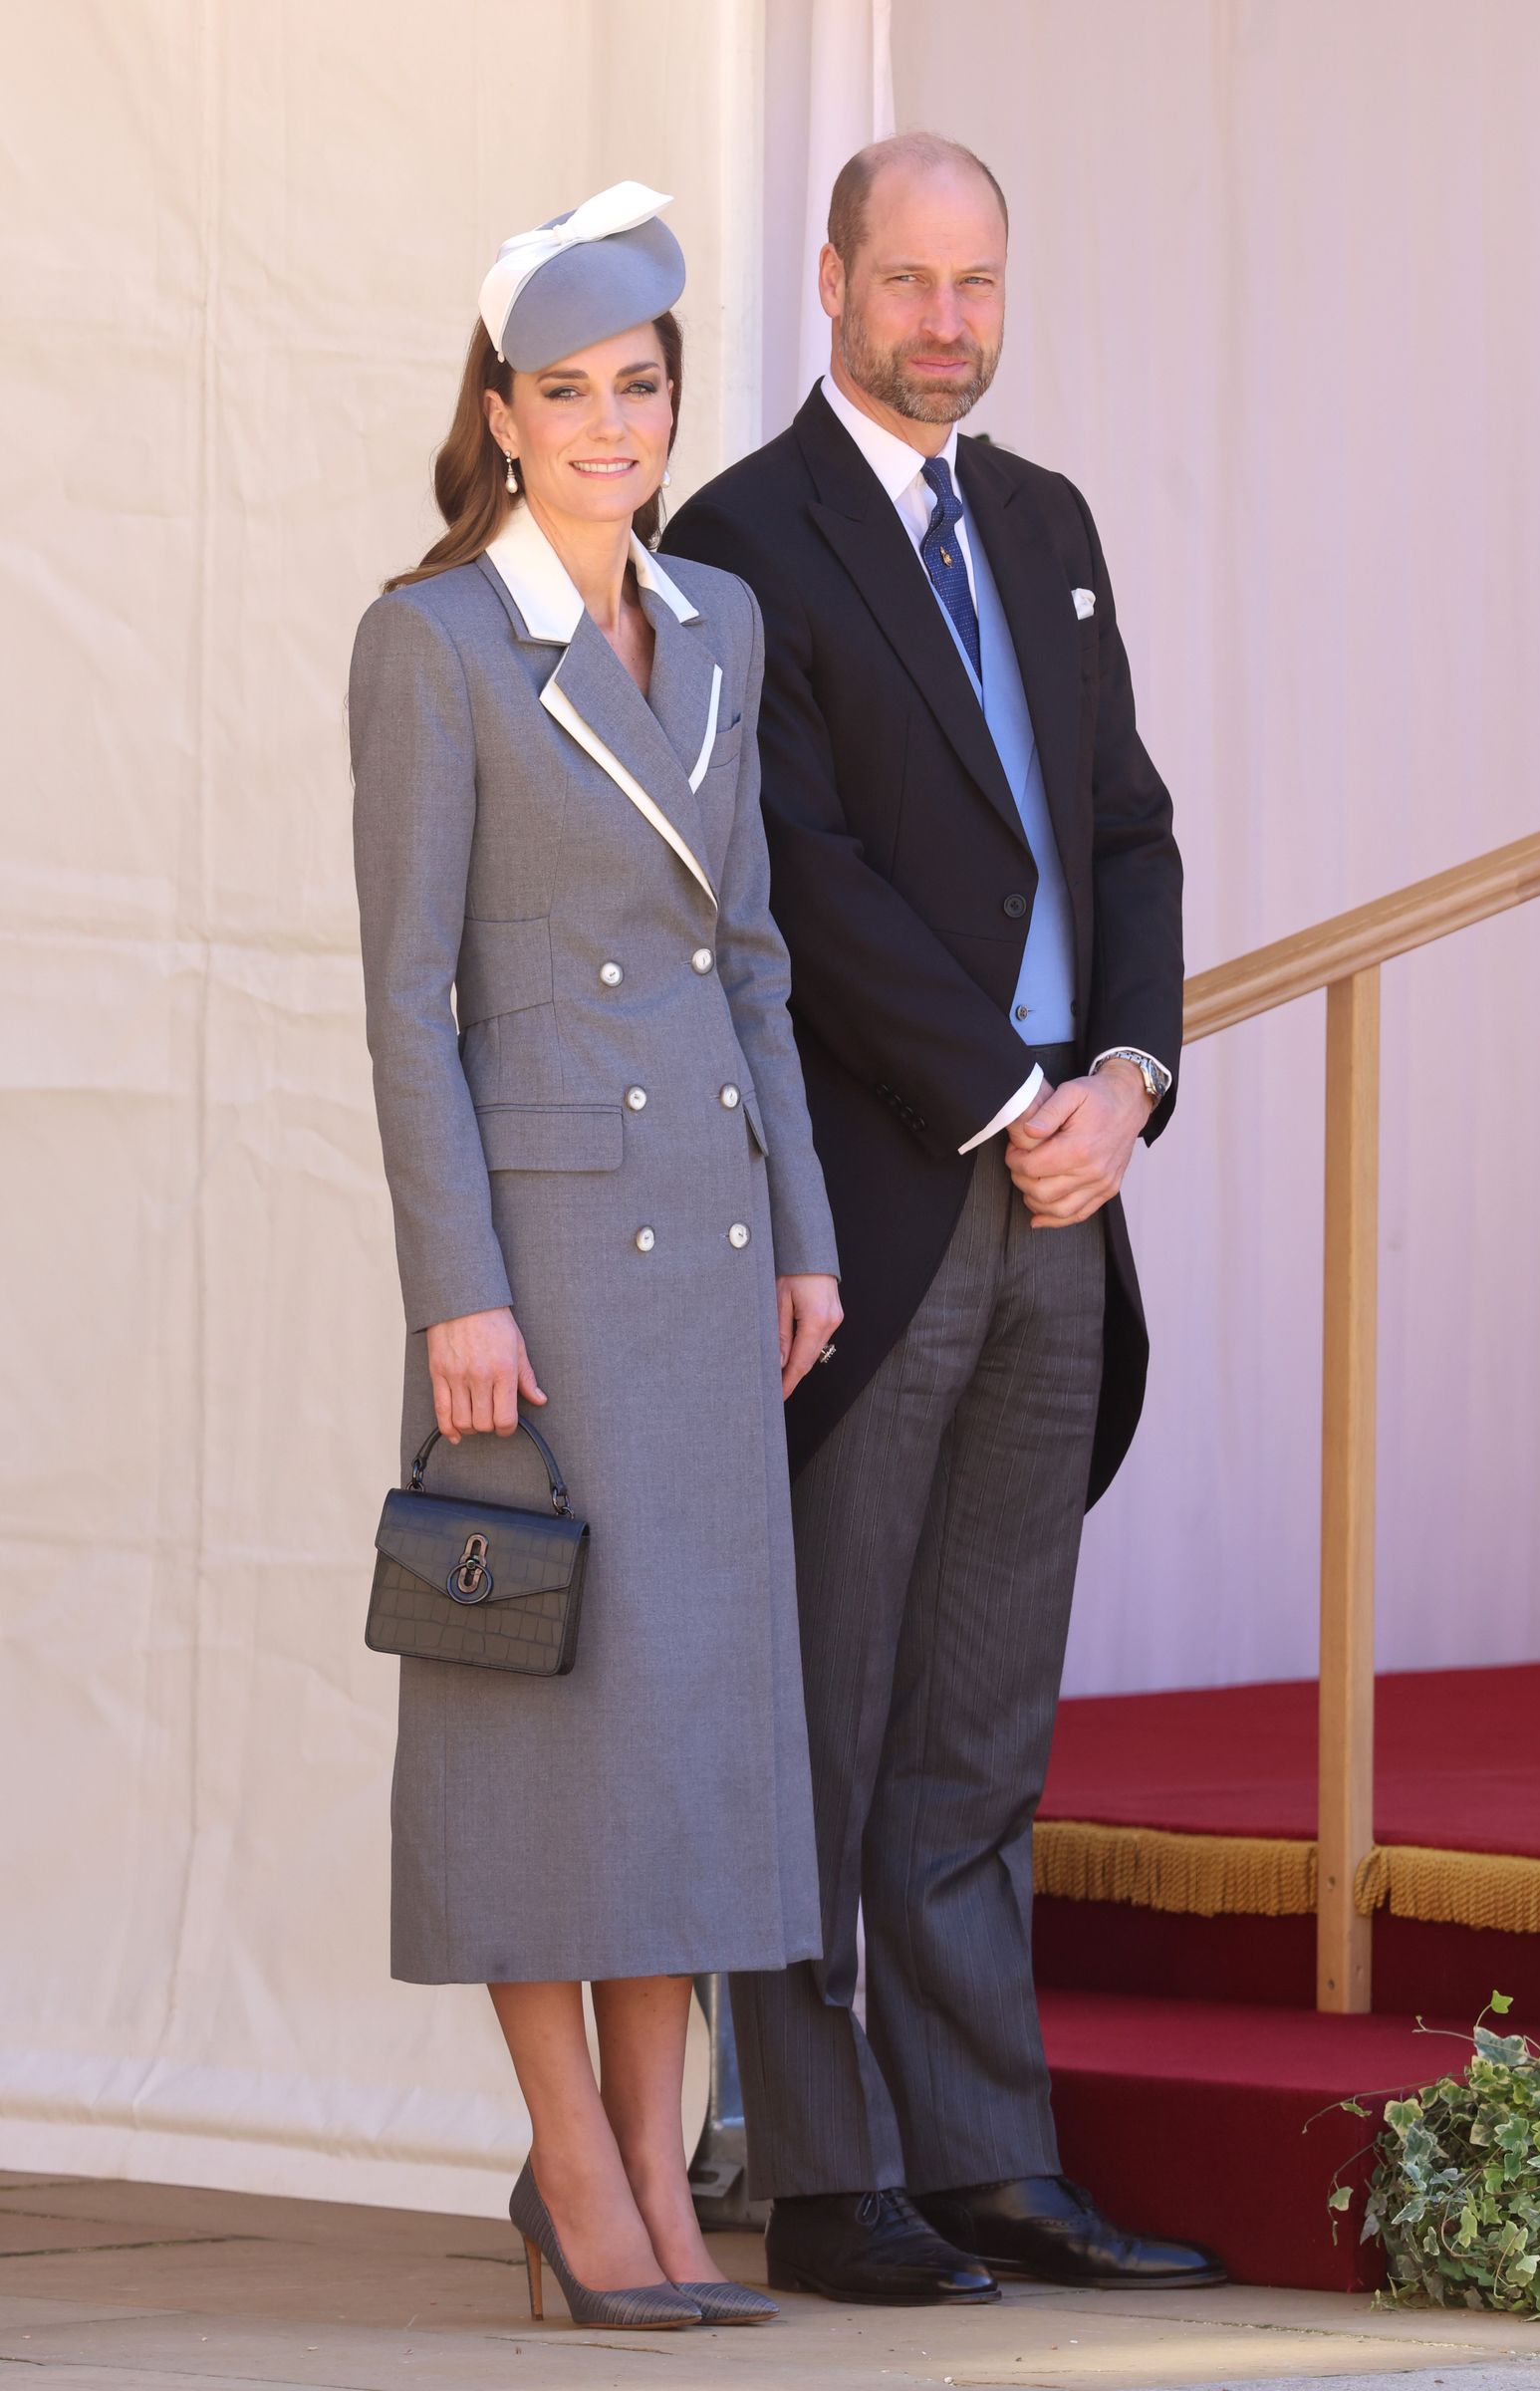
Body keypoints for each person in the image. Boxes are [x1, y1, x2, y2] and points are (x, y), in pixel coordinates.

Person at [664, 134, 1221, 2303]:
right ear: (828, 286)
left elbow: (1124, 834)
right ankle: (821, 2172)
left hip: (1062, 1199)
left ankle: (989, 2154)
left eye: (975, 281)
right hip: (876, 1207)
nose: (945, 322)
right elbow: (799, 871)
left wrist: (1126, 1078)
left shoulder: (1050, 525)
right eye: (905, 280)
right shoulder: (739, 541)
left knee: (984, 1717)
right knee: (826, 1706)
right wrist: (1006, 1093)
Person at [349, 183, 842, 2333]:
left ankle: (657, 2170)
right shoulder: (436, 641)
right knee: (542, 1735)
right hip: (536, 1279)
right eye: (567, 394)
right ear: (501, 410)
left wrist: (806, 1236)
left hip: (709, 1259)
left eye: (637, 389)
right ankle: (574, 2170)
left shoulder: (716, 624)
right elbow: (402, 1000)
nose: (611, 426)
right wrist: (454, 1287)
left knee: (690, 1740)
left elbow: (751, 960)